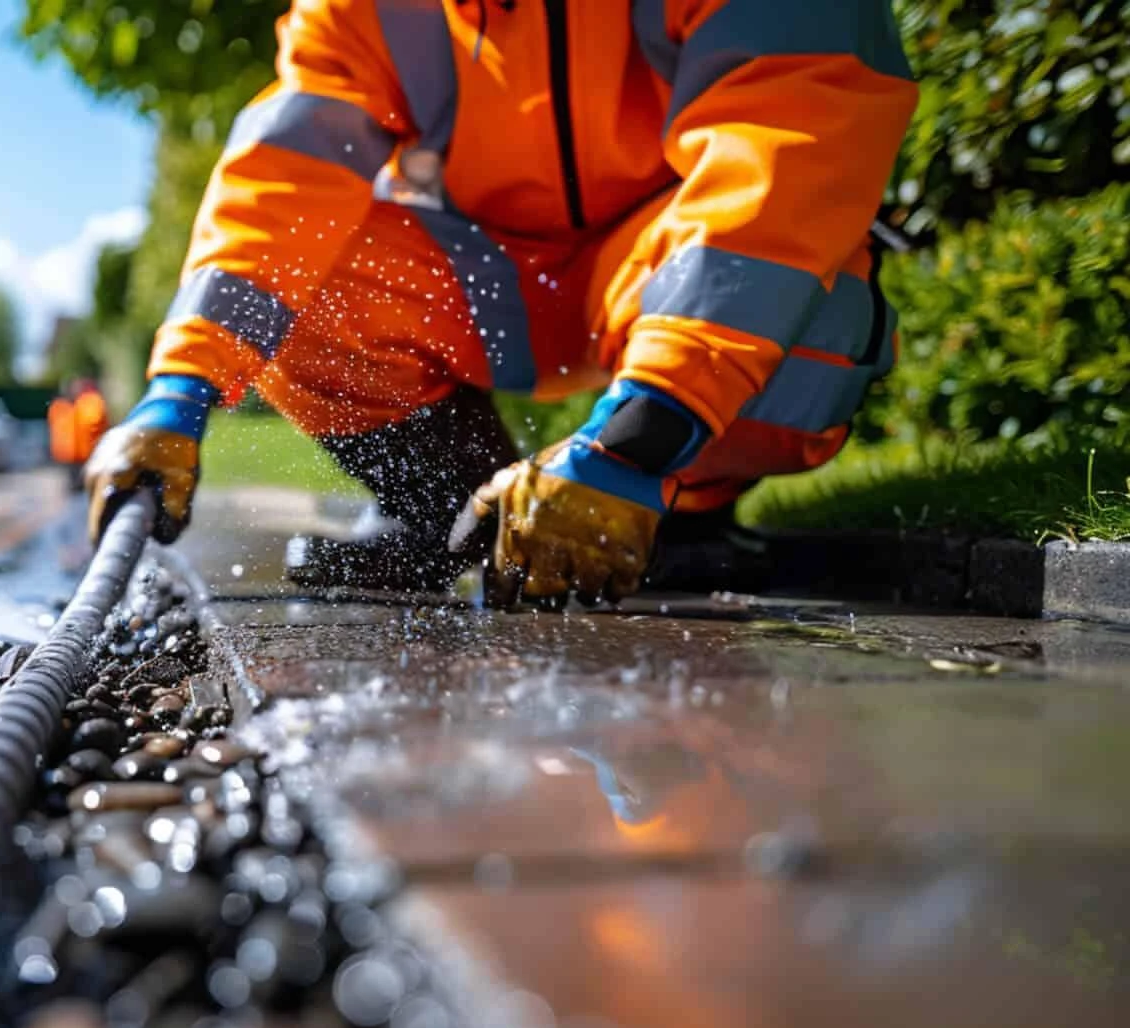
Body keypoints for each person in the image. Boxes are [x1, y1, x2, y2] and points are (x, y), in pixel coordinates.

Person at [85, 0, 917, 603]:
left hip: (669, 268)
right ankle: (454, 516)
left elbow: (784, 157)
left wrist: (638, 442)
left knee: (816, 306)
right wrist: (179, 390)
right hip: (493, 281)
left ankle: (679, 517)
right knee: (309, 278)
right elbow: (285, 183)